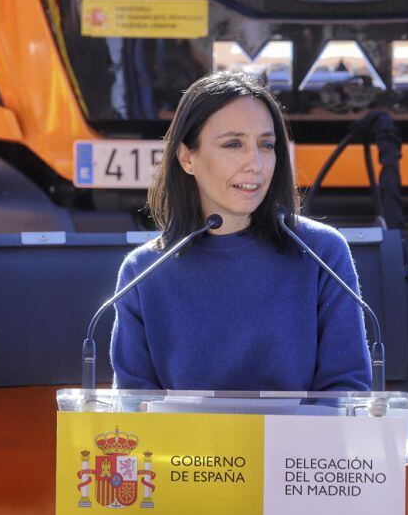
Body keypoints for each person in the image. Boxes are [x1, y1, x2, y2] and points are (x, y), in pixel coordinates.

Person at [109, 70, 372, 392]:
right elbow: (134, 411)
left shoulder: (322, 251)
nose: (255, 164)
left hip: (299, 444)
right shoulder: (143, 271)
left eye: (266, 145)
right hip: (183, 445)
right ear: (187, 157)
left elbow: (347, 389)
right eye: (233, 144)